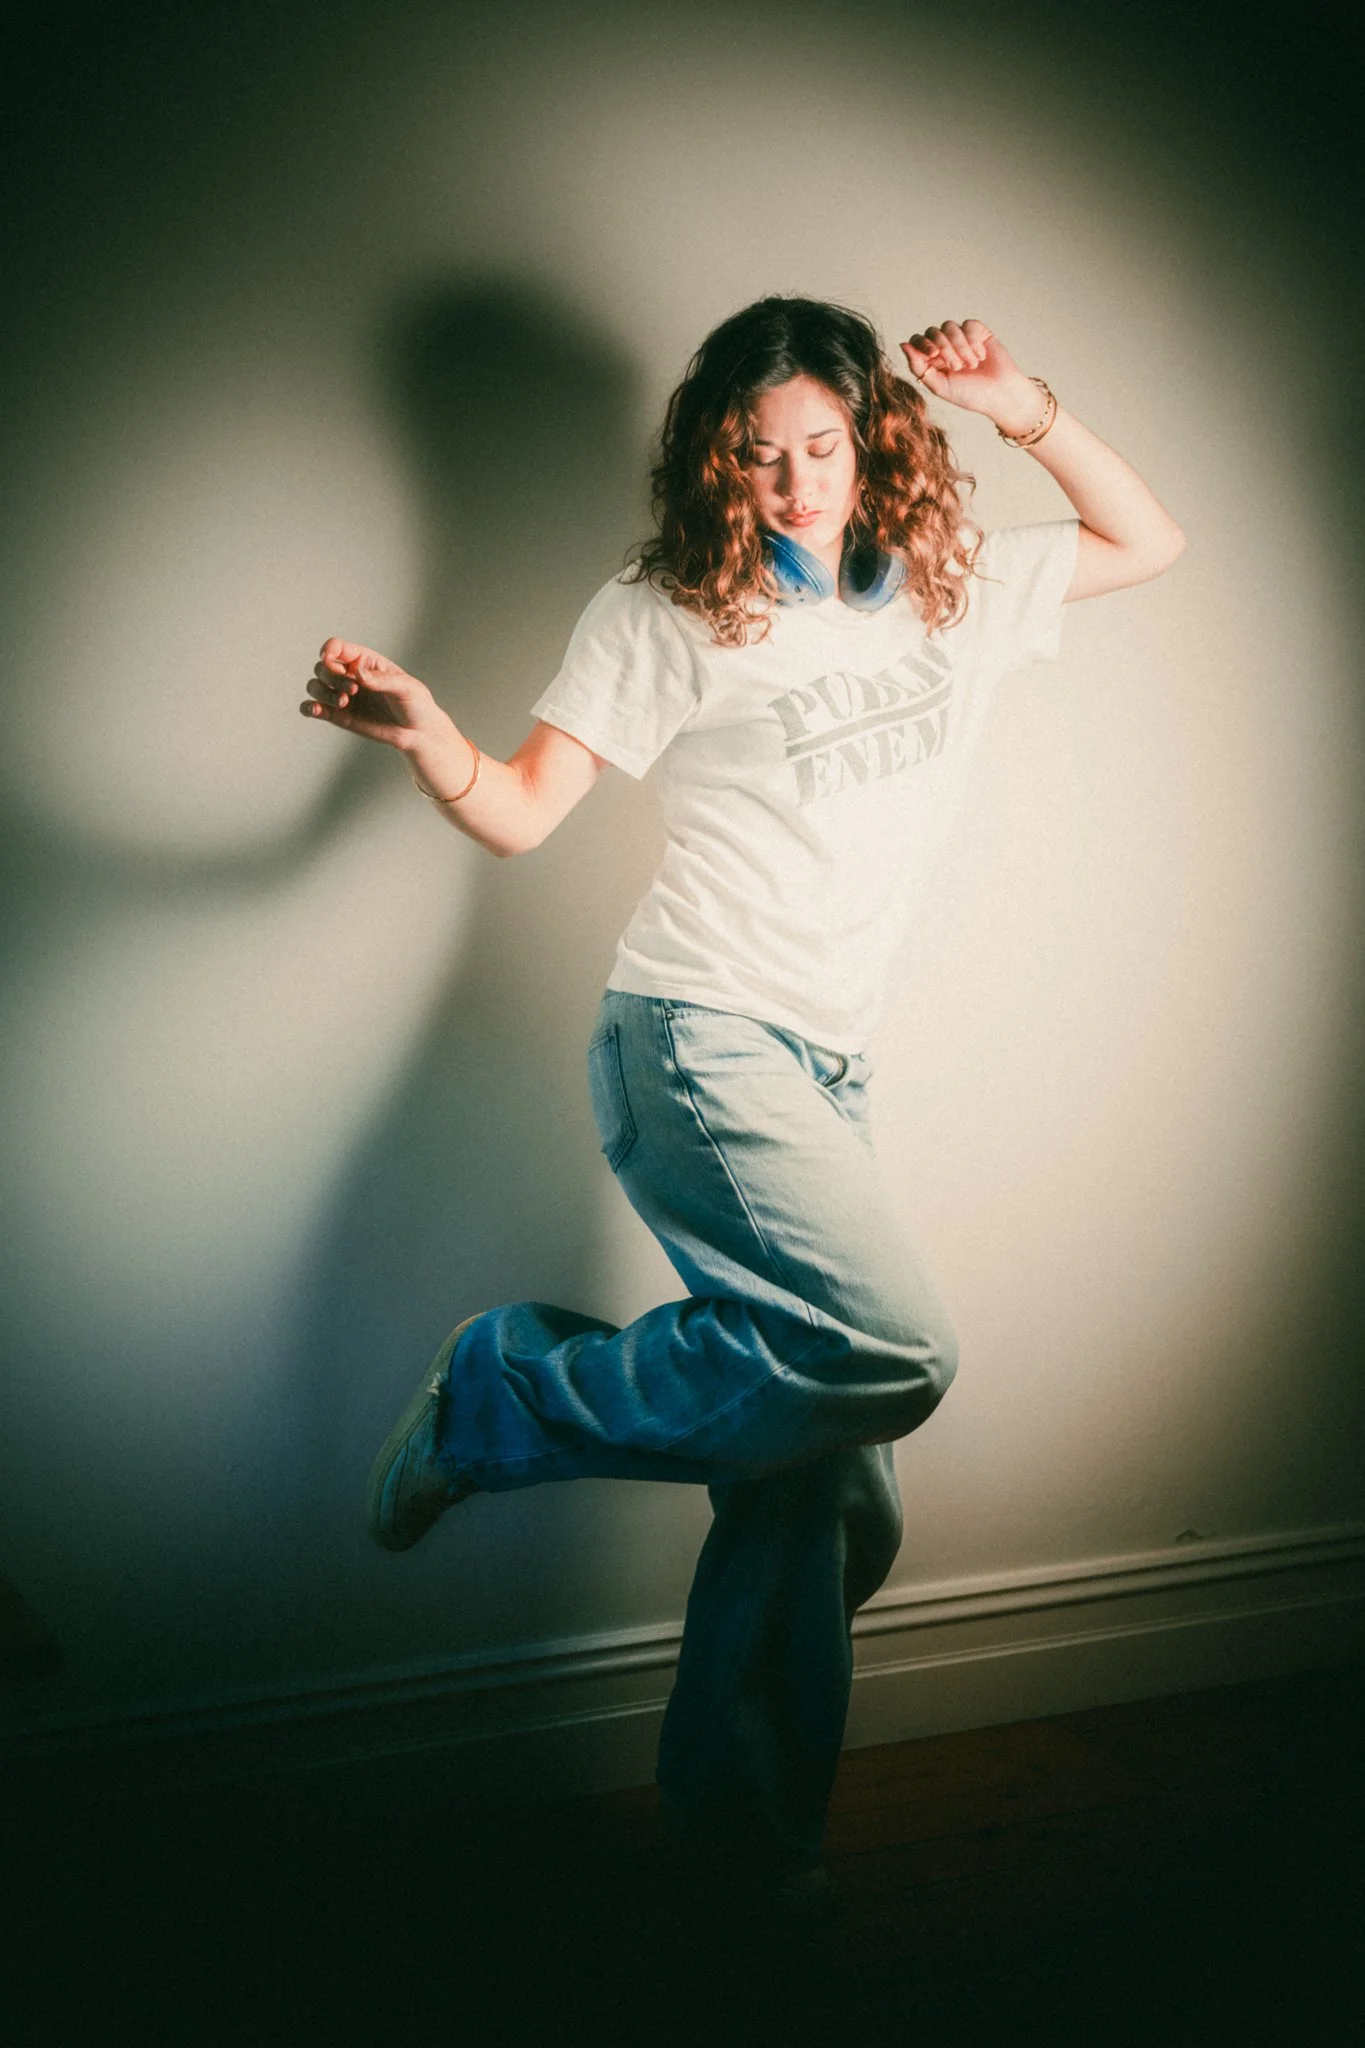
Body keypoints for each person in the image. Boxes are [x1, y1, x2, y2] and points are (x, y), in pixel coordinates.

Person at [299, 298, 1184, 1917]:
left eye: (823, 448)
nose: (793, 483)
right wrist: (427, 737)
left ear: (873, 438)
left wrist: (1021, 403)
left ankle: (741, 1840)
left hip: (826, 1068)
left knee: (825, 1479)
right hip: (697, 1043)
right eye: (759, 454)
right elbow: (518, 813)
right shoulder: (666, 609)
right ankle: (506, 1386)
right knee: (894, 1352)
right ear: (720, 458)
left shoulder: (947, 585)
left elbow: (1150, 536)